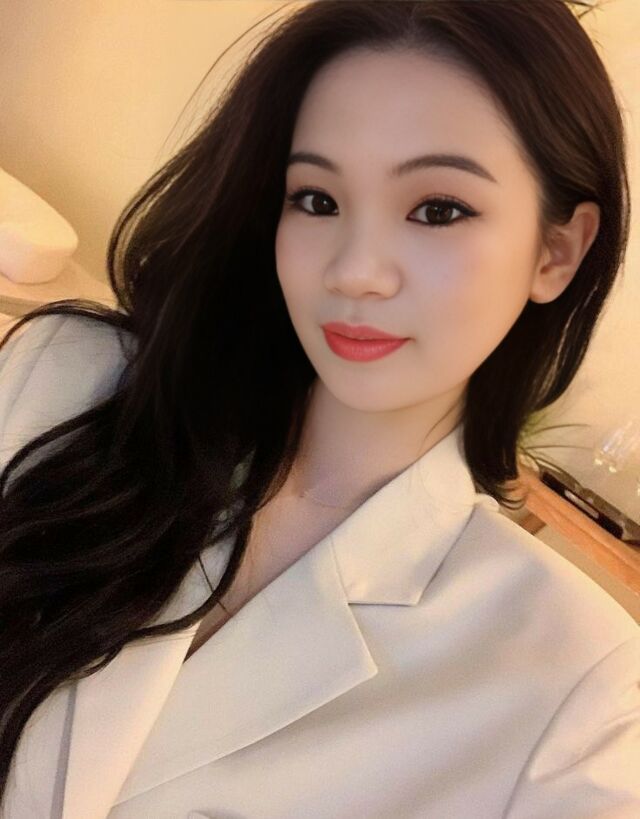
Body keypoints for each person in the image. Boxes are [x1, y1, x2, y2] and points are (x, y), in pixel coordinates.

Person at [1, 1, 638, 816]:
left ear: (557, 251)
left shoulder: (576, 686)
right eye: (317, 199)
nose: (355, 271)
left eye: (438, 209)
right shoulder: (64, 383)